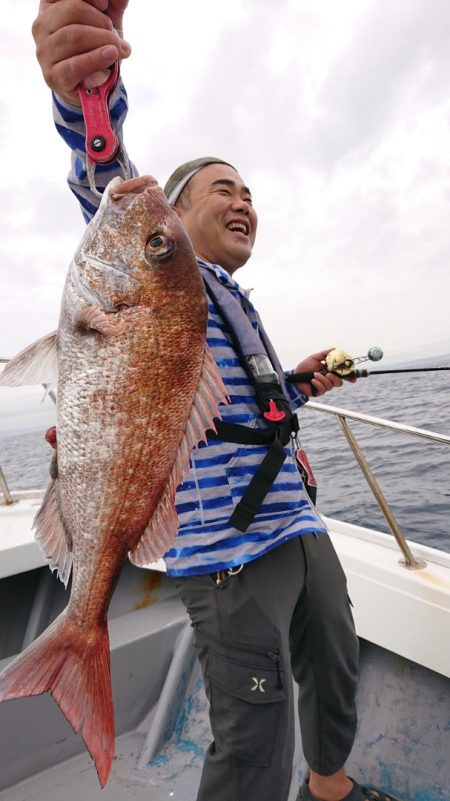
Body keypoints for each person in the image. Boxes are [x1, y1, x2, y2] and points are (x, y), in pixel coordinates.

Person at [31, 3, 400, 801]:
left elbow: (241, 396)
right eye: (221, 188)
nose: (243, 202)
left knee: (334, 664)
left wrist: (298, 379)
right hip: (224, 546)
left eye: (251, 193)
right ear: (177, 210)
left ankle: (330, 789)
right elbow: (105, 184)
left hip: (295, 520)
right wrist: (87, 98)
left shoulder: (229, 295)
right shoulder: (165, 276)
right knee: (253, 727)